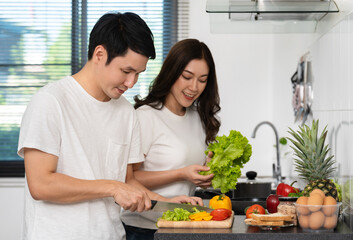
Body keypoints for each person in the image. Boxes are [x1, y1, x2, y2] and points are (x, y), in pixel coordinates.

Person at [17, 12, 201, 240]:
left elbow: (127, 181)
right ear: (100, 54)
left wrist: (165, 202)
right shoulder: (50, 102)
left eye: (138, 74)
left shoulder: (125, 112)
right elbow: (41, 185)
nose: (131, 83)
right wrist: (112, 187)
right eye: (126, 71)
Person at [121, 38, 221, 240]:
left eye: (202, 80)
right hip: (144, 229)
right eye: (187, 77)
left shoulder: (198, 118)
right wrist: (182, 174)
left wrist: (206, 175)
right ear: (172, 73)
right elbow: (129, 178)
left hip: (181, 224)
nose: (194, 87)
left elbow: (191, 174)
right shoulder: (146, 116)